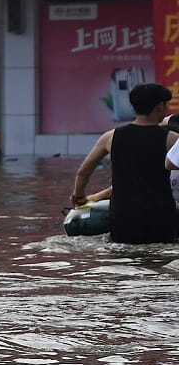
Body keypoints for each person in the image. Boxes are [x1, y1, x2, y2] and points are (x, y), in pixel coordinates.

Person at [70, 82, 179, 245]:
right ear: (159, 107)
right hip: (161, 218)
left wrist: (79, 196)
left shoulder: (110, 137)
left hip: (123, 219)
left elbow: (83, 172)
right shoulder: (172, 139)